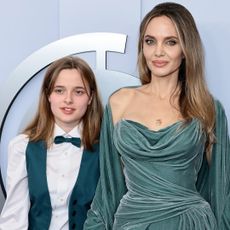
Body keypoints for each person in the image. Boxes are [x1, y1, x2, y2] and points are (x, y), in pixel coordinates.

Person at [84, 2, 230, 230]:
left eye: (170, 42)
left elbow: (222, 190)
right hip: (131, 222)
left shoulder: (207, 107)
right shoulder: (120, 102)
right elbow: (109, 187)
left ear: (186, 49)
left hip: (190, 223)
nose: (158, 52)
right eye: (150, 41)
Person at [0, 55, 103, 230]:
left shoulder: (106, 148)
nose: (68, 99)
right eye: (59, 90)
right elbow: (14, 216)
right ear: (48, 95)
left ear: (90, 97)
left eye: (78, 92)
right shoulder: (21, 146)